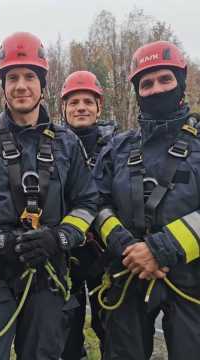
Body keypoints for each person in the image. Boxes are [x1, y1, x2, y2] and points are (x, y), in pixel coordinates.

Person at [0, 32, 98, 360]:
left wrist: (59, 238)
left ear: (43, 85)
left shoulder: (66, 143)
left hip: (48, 278)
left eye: (29, 77)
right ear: (2, 86)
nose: (21, 85)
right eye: (12, 77)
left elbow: (87, 203)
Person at [94, 40, 200, 359]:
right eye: (146, 83)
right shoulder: (117, 148)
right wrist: (127, 246)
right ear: (137, 91)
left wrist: (161, 249)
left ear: (180, 83)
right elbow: (94, 204)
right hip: (128, 273)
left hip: (190, 279)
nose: (155, 90)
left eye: (164, 80)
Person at [60, 70, 116, 359]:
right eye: (73, 102)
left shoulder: (116, 147)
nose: (80, 107)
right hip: (63, 250)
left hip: (103, 252)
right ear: (64, 109)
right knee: (66, 326)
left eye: (87, 101)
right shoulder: (50, 146)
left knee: (109, 324)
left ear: (98, 108)